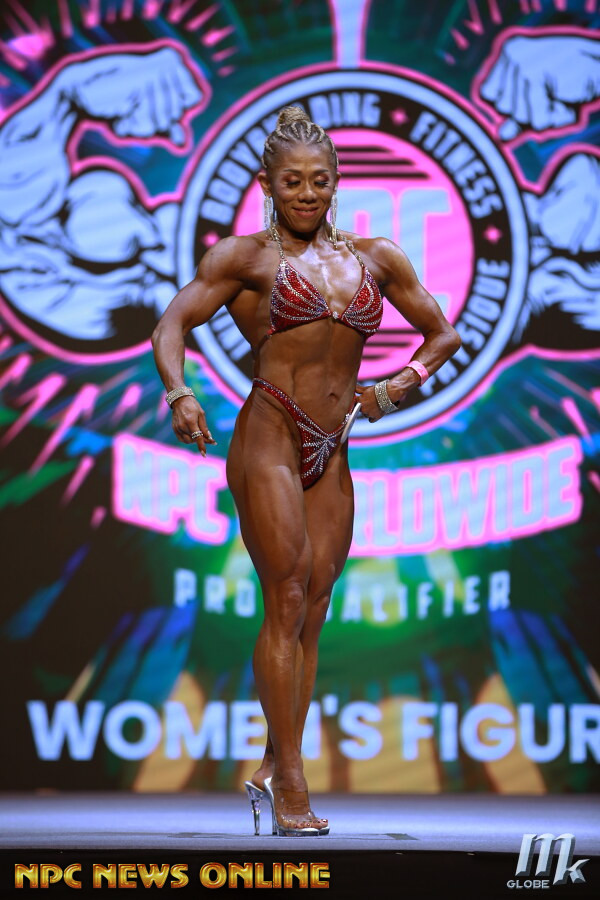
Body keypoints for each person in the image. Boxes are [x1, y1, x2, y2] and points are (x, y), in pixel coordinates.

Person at [151, 106, 461, 836]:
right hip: (269, 436)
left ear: (336, 182)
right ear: (267, 184)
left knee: (315, 608)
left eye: (319, 181)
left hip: (335, 444)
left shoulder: (377, 258)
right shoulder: (245, 259)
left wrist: (398, 386)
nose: (306, 194)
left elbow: (442, 334)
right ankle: (292, 784)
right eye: (292, 182)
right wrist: (180, 393)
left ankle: (272, 757)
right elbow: (171, 325)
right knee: (286, 594)